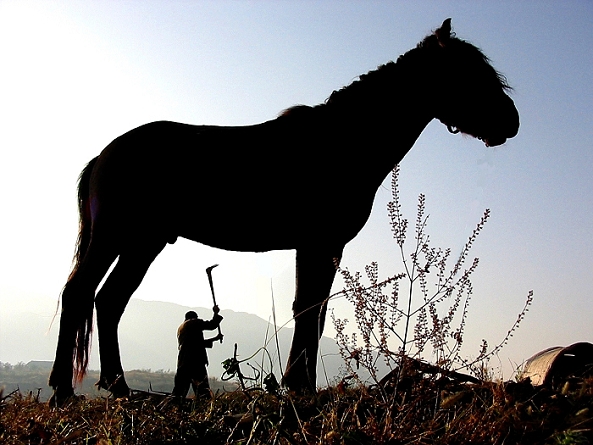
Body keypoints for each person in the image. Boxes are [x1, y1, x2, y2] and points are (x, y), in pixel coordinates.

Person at [172, 306, 223, 398]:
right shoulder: (193, 322)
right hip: (195, 362)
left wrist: (215, 338)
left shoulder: (182, 328)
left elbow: (196, 343)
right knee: (203, 390)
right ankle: (204, 408)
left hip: (183, 363)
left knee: (179, 391)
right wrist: (216, 313)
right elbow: (212, 325)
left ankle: (173, 407)